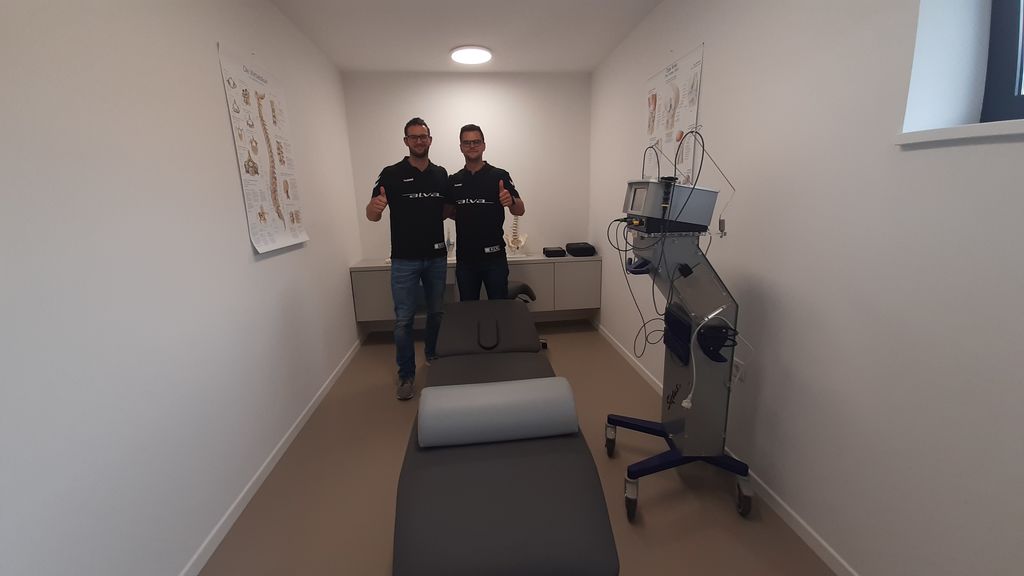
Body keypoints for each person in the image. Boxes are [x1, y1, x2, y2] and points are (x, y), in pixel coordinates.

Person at [366, 117, 449, 400]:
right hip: (404, 260)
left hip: (436, 257)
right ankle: (406, 374)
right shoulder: (390, 174)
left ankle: (433, 356)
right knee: (404, 320)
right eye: (414, 137)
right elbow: (372, 214)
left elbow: (448, 209)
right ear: (406, 141)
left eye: (423, 136)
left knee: (437, 313)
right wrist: (375, 207)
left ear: (430, 139)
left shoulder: (441, 174)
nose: (419, 141)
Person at [446, 124, 526, 301]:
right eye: (467, 143)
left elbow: (520, 210)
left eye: (476, 142)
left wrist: (511, 201)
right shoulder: (454, 180)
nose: (472, 146)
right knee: (469, 310)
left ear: (483, 145)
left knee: (499, 309)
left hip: (494, 259)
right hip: (466, 260)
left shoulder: (499, 175)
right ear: (461, 147)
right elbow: (447, 211)